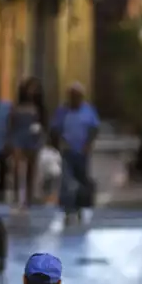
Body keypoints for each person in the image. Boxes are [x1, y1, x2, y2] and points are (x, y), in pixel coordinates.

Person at [50, 83, 100, 224]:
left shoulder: (88, 111)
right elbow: (55, 129)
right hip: (67, 151)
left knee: (81, 180)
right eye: (72, 96)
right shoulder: (62, 111)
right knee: (67, 182)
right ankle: (67, 209)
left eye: (77, 96)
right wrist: (60, 143)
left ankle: (79, 208)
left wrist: (88, 144)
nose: (74, 99)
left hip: (82, 152)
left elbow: (94, 128)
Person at [10, 77, 47, 209]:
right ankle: (16, 196)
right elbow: (11, 122)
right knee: (17, 168)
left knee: (31, 169)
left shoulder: (39, 107)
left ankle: (28, 197)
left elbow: (43, 122)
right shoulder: (17, 106)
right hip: (18, 137)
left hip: (33, 138)